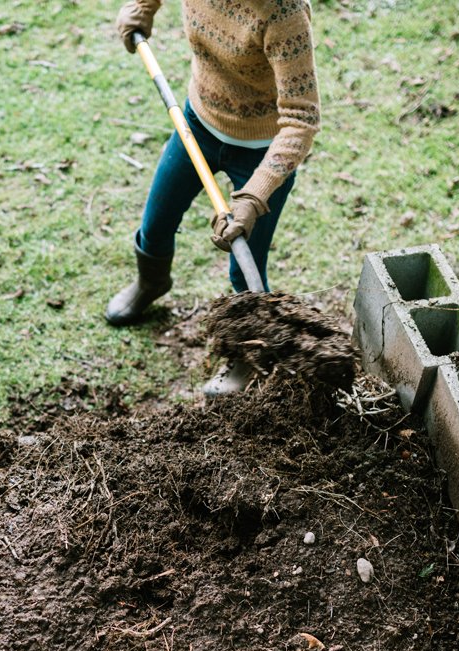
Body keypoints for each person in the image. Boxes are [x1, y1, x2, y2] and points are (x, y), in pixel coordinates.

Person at [106, 0, 320, 395]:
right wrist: (141, 6)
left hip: (261, 150)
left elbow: (302, 119)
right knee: (156, 223)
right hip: (197, 124)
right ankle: (151, 283)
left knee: (246, 269)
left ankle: (246, 354)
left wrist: (255, 196)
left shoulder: (284, 14)